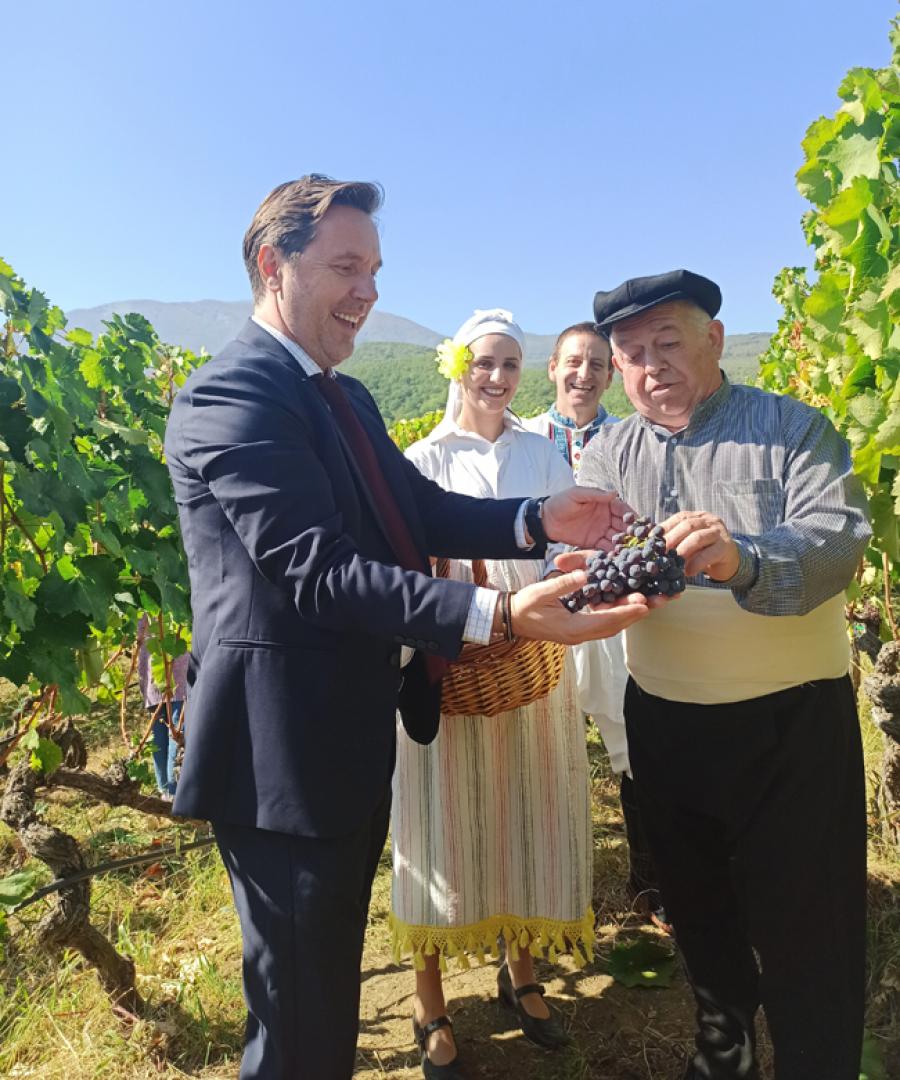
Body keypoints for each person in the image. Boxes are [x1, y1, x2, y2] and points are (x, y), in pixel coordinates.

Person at [163, 175, 661, 1080]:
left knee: (325, 994)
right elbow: (317, 571)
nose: (369, 292)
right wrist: (500, 614)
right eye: (346, 267)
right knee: (297, 1016)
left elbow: (416, 507)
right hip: (278, 757)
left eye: (376, 271)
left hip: (346, 741)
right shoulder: (233, 394)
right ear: (274, 264)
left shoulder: (343, 398)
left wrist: (538, 518)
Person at [578, 269, 871, 1080]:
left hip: (790, 726)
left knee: (810, 923)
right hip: (665, 718)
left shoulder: (791, 430)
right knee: (699, 908)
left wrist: (742, 557)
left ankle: (817, 1062)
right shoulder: (607, 454)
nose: (650, 366)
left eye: (668, 342)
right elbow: (596, 557)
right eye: (631, 353)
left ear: (713, 339)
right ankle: (723, 1051)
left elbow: (838, 541)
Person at [392, 310, 592, 1078]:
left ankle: (523, 973)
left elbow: (568, 547)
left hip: (531, 665)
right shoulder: (422, 459)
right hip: (451, 670)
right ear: (459, 368)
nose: (498, 377)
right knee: (439, 827)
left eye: (510, 364)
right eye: (485, 362)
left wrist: (561, 585)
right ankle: (429, 1001)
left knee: (527, 814)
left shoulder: (544, 455)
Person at [523, 323, 666, 928]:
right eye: (574, 361)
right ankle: (547, 889)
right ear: (553, 367)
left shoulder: (631, 441)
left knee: (629, 744)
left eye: (597, 364)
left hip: (609, 620)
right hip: (539, 617)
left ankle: (648, 882)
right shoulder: (524, 439)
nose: (584, 374)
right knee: (541, 748)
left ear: (611, 374)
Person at [136, 614, 188, 799]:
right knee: (177, 733)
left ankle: (165, 790)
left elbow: (138, 635)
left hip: (152, 677)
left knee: (158, 735)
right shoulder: (180, 605)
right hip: (179, 677)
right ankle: (174, 793)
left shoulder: (143, 606)